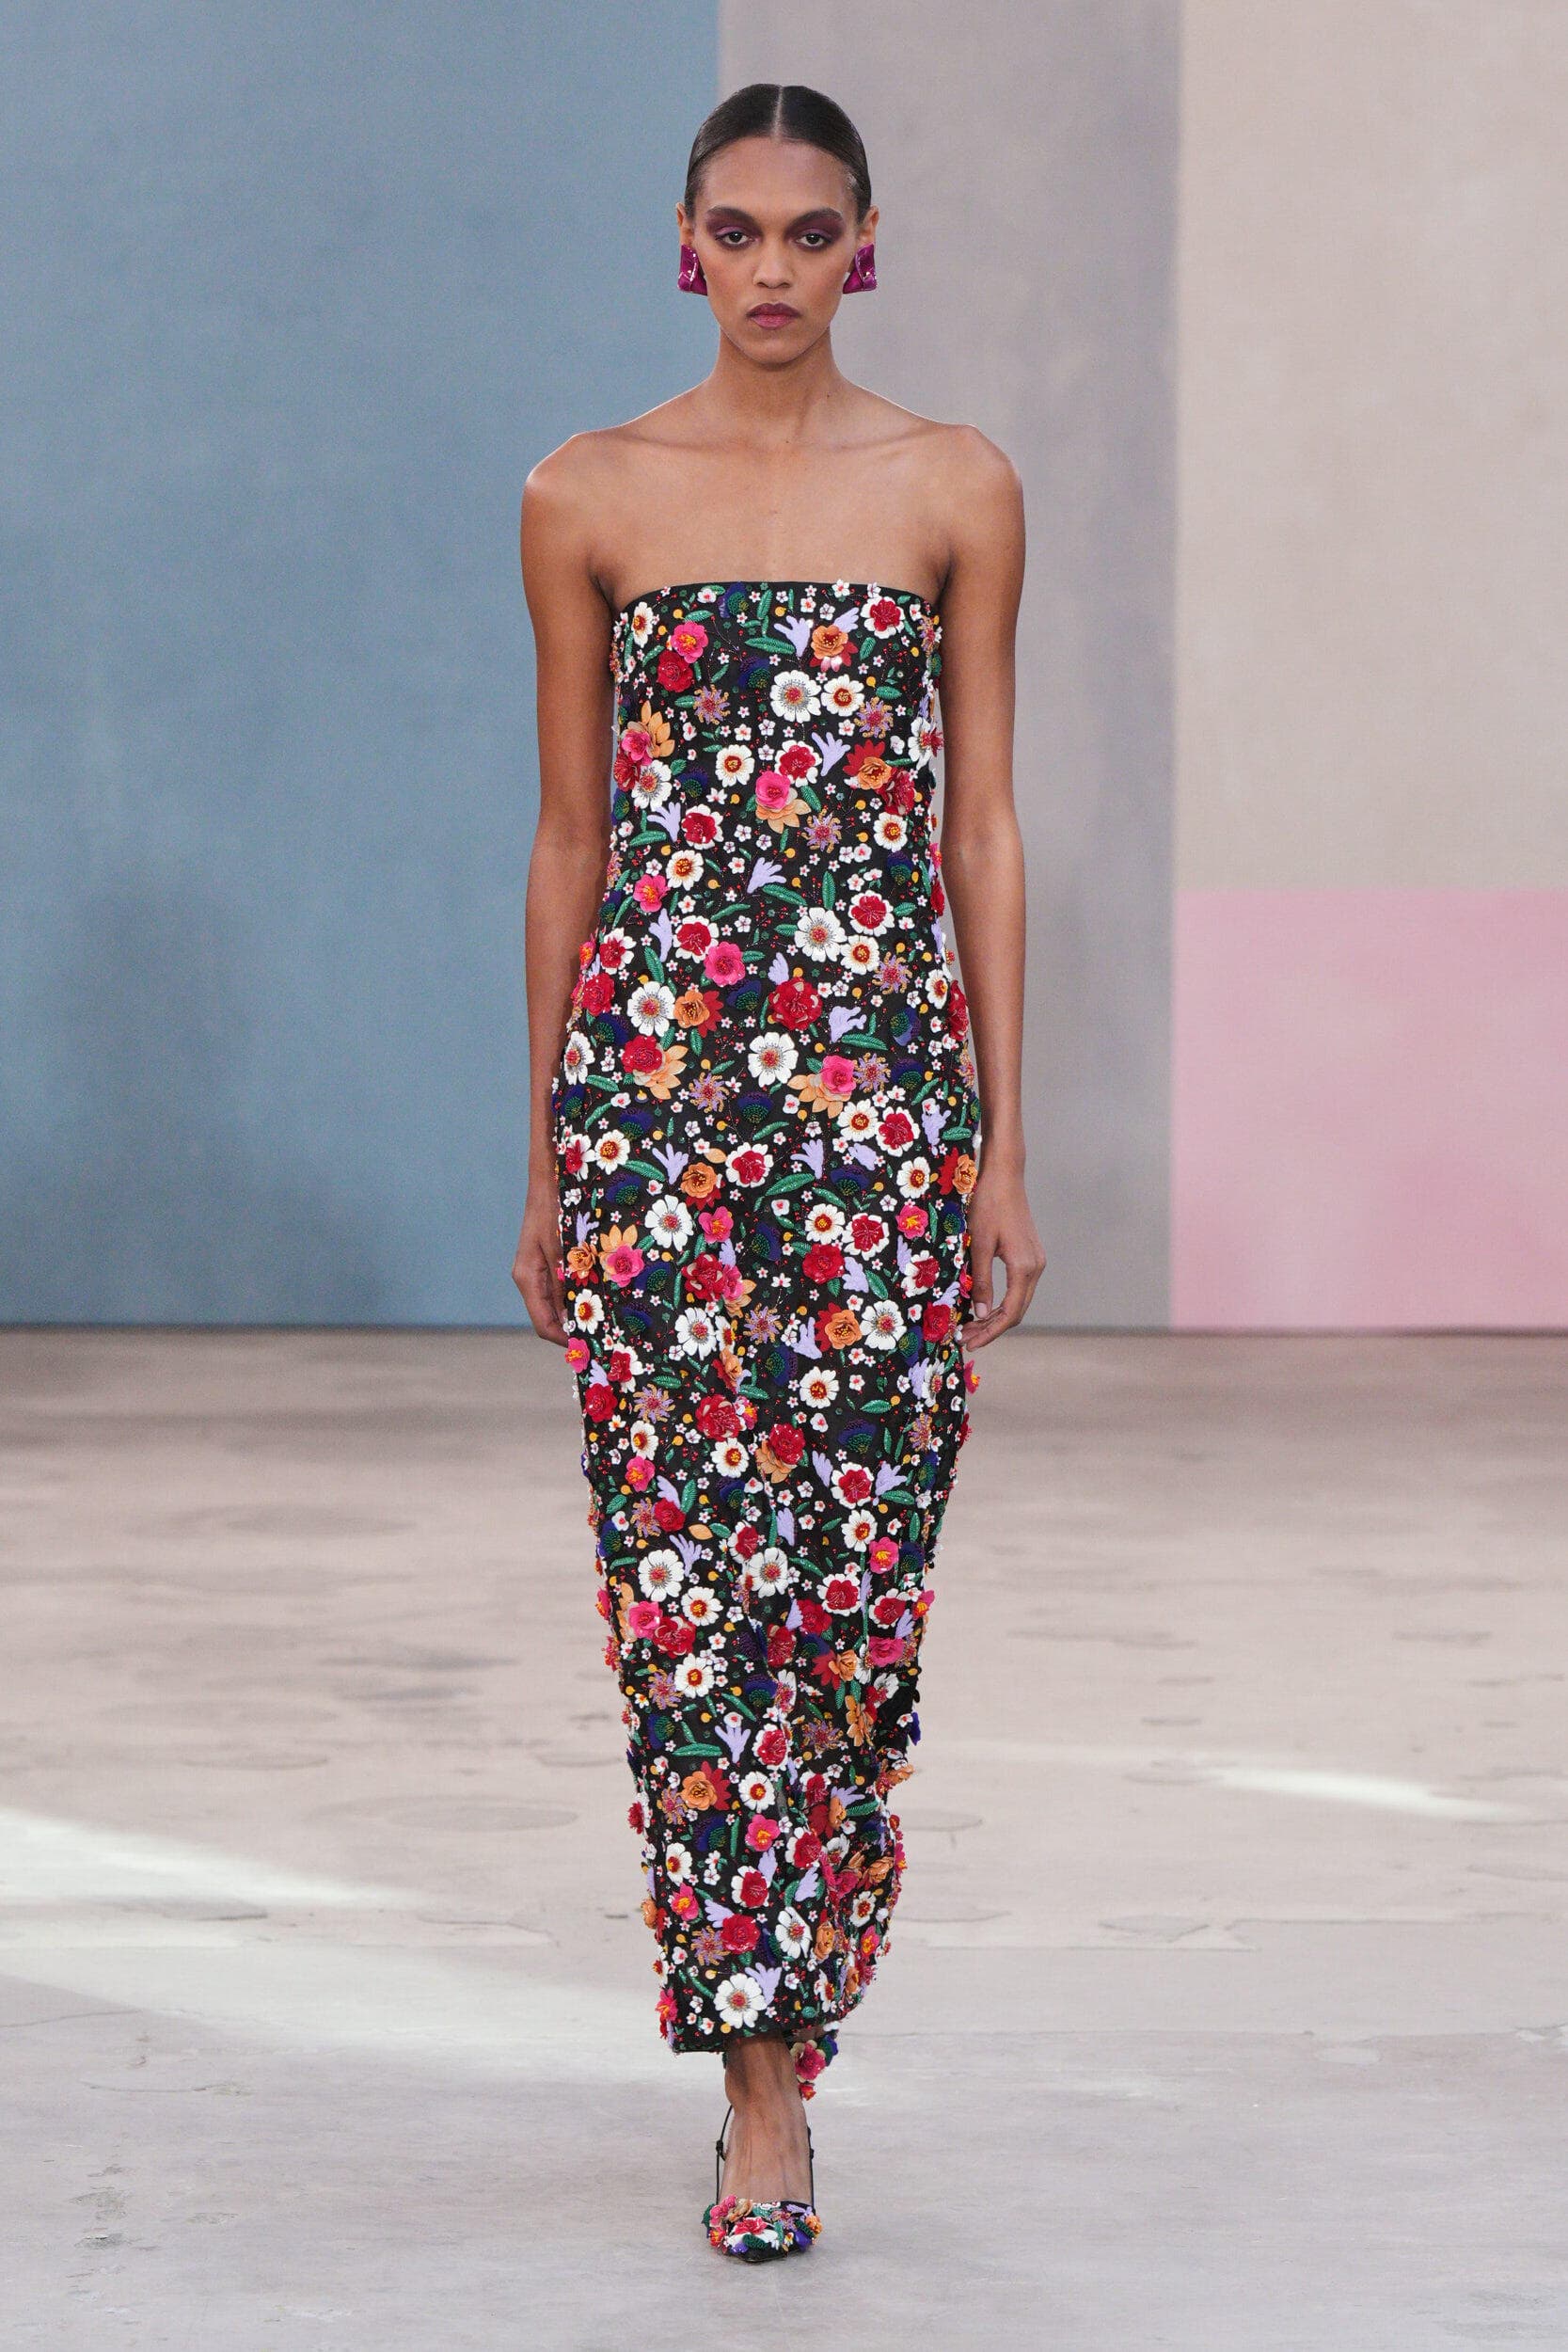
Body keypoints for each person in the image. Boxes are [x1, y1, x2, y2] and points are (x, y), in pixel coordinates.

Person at [511, 80, 1044, 2264]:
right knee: (688, 1595)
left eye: (809, 234)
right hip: (657, 1117)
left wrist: (1003, 1140)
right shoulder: (586, 493)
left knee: (849, 1599)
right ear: (683, 246)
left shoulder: (954, 486)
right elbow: (572, 836)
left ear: (865, 250)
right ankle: (755, 2089)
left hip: (882, 1116)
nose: (771, 269)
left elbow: (980, 824)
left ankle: (796, 1999)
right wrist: (548, 1155)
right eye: (735, 231)